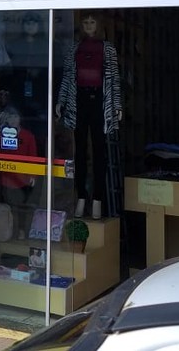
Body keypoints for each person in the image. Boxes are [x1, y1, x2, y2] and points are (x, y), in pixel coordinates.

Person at [56, 12, 122, 220]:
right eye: (85, 22)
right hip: (79, 101)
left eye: (92, 22)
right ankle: (81, 196)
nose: (89, 26)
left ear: (98, 25)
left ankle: (98, 199)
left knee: (100, 152)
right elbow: (67, 77)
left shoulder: (107, 49)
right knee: (81, 152)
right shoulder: (74, 49)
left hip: (100, 102)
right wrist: (61, 100)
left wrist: (117, 104)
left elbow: (113, 77)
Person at [0, 106, 38, 238]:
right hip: (5, 178)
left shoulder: (28, 136)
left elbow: (33, 156)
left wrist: (32, 175)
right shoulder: (0, 135)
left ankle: (21, 231)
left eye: (15, 116)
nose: (13, 120)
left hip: (22, 179)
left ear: (20, 118)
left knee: (20, 207)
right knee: (5, 207)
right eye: (10, 117)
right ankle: (7, 232)